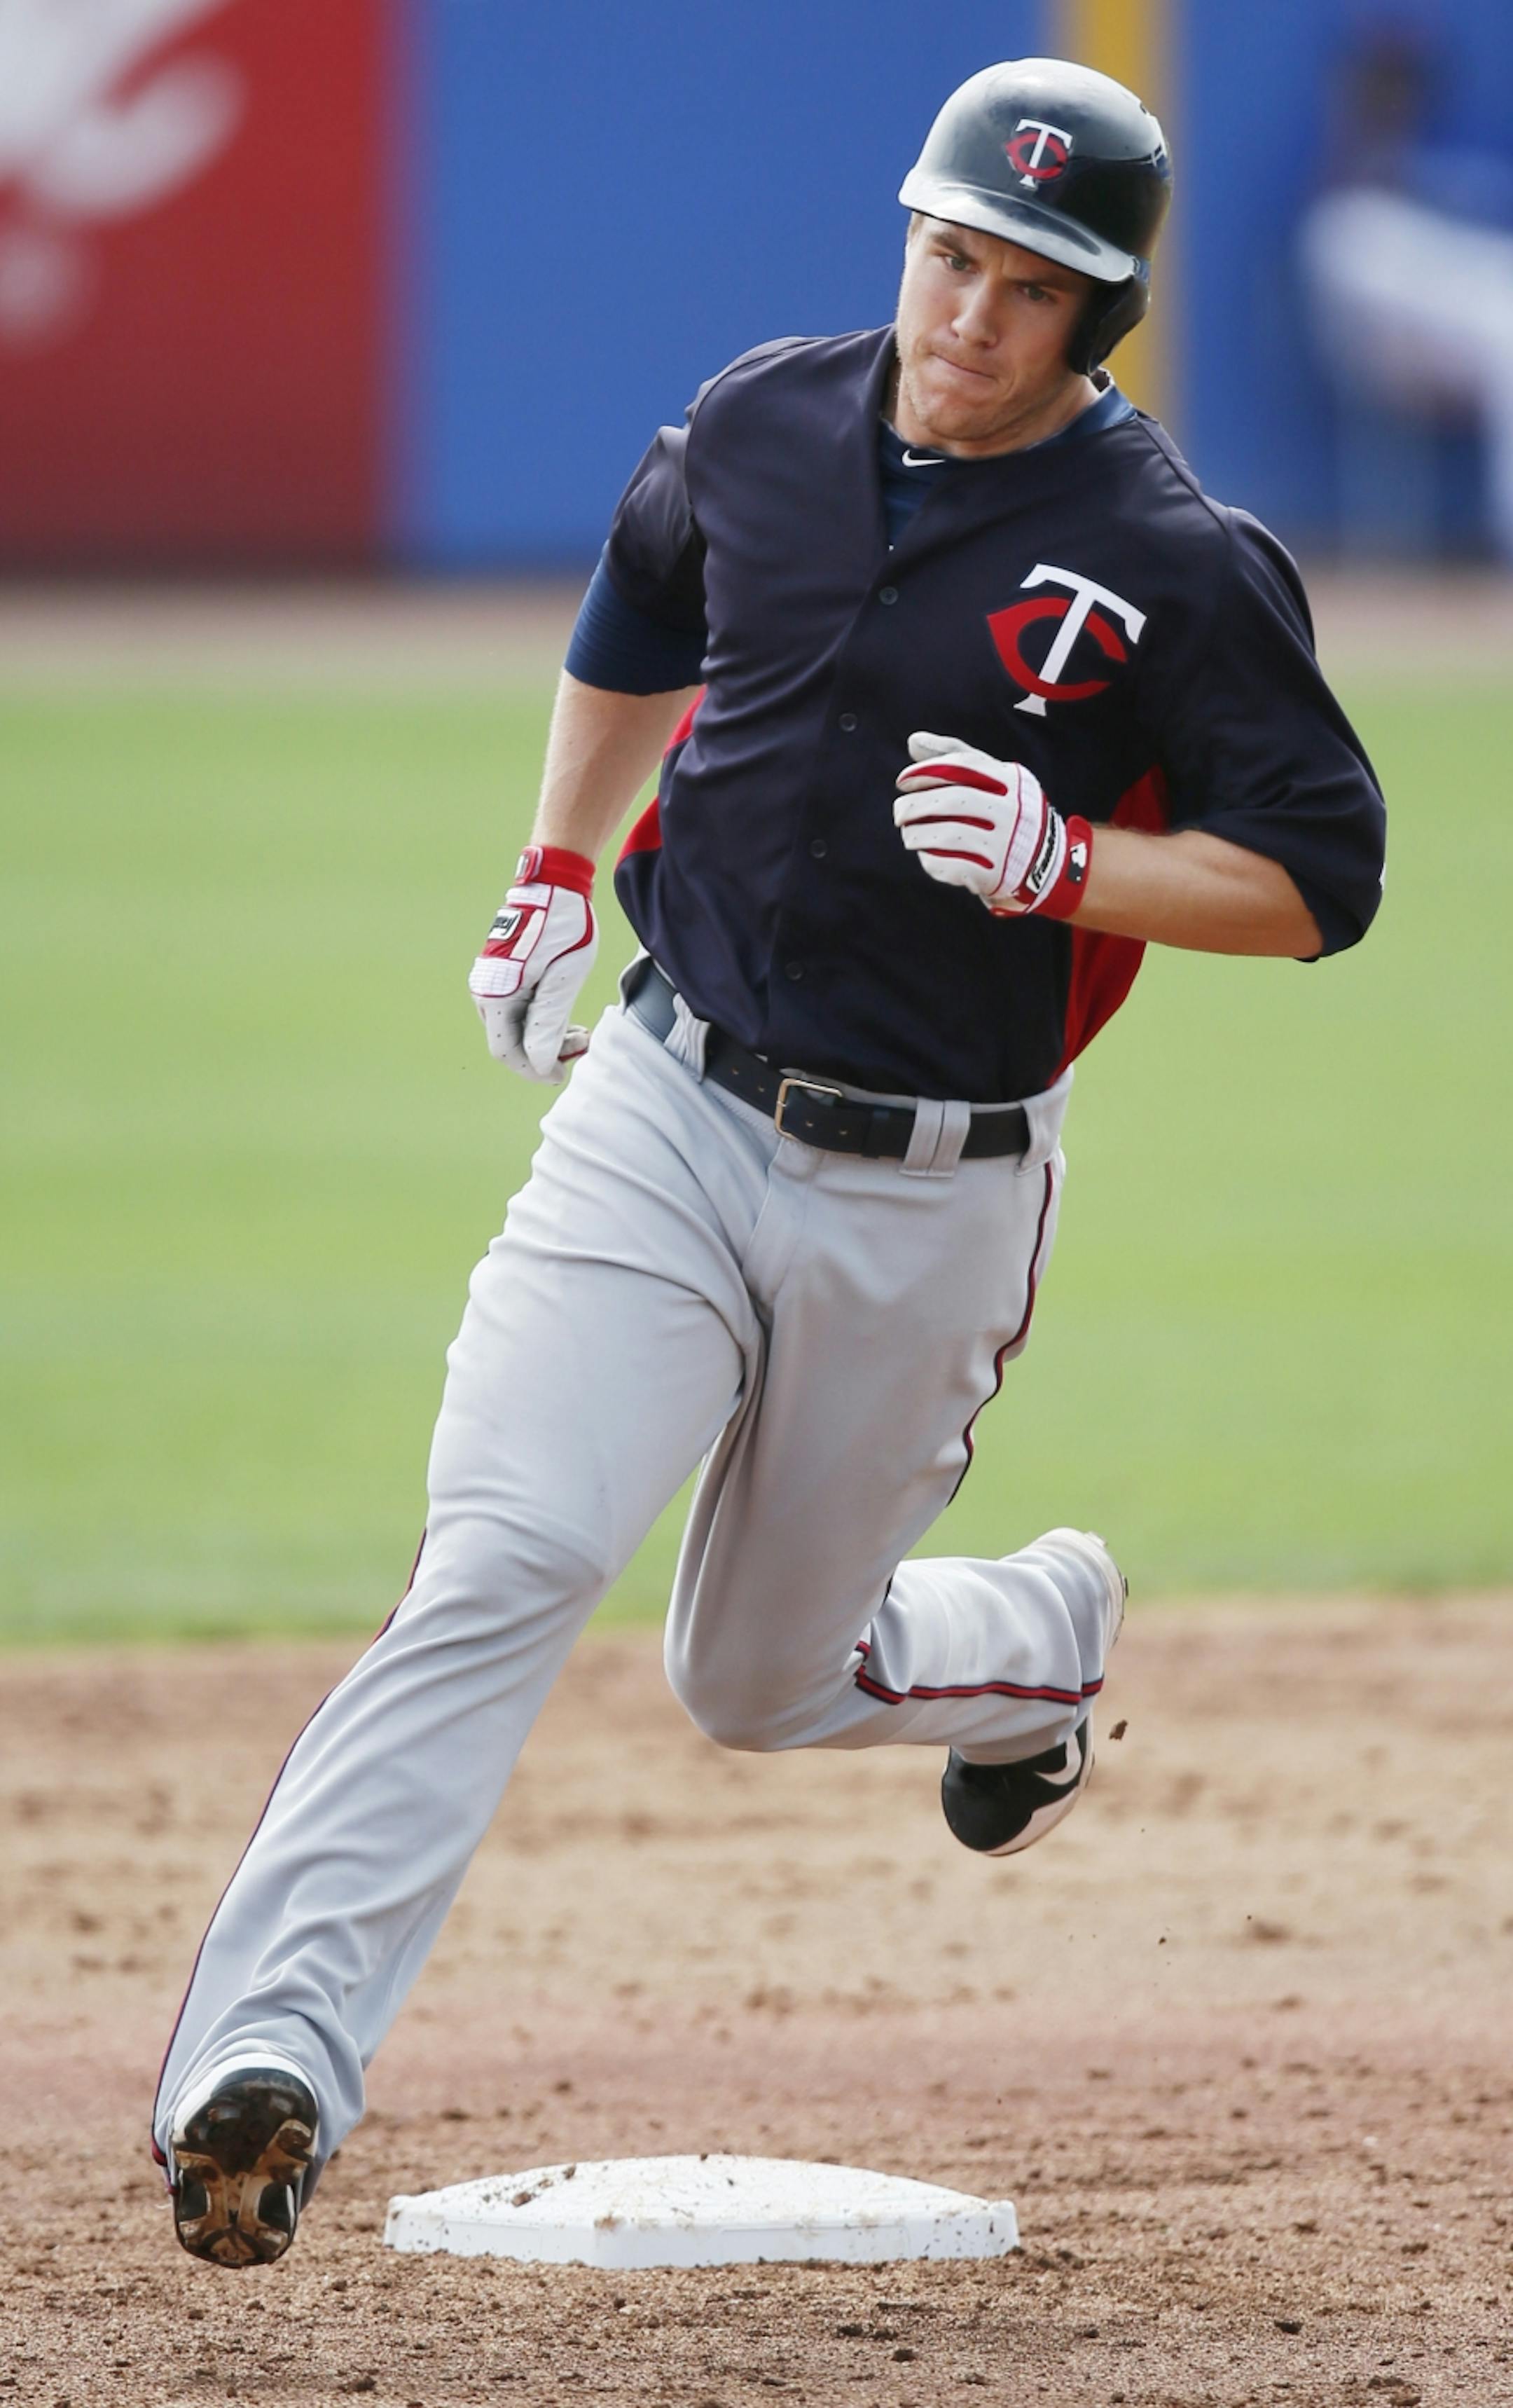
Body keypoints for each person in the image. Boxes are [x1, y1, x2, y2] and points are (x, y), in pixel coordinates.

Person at [153, 57, 1386, 2270]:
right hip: (667, 1102)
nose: (970, 312)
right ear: (904, 236)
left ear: (1103, 318)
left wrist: (1070, 858)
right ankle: (269, 2060)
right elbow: (641, 603)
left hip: (934, 1184)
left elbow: (1320, 877)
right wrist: (550, 863)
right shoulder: (764, 425)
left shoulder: (1173, 562)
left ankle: (1038, 1638)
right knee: (504, 1549)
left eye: (1031, 287)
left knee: (751, 1676)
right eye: (950, 255)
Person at [1299, 30, 1513, 560]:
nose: (1394, 105)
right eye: (1381, 91)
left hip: (1462, 347)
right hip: (1396, 351)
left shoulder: (1431, 191)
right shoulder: (1343, 221)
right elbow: (1360, 343)